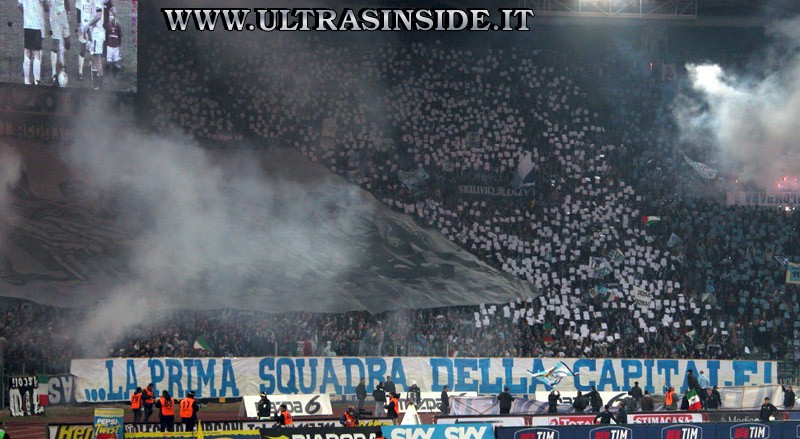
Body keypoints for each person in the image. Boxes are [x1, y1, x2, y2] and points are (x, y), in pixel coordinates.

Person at [18, 0, 49, 85]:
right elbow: (46, 7)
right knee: (37, 53)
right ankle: (36, 81)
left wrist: (27, 14)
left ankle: (26, 81)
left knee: (27, 52)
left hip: (27, 25)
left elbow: (19, 5)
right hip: (36, 25)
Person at [48, 0, 71, 85]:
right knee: (55, 43)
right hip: (55, 17)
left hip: (63, 16)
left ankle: (62, 62)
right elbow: (46, 6)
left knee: (68, 43)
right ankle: (54, 73)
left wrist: (68, 12)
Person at [104, 9, 121, 73]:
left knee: (115, 55)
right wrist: (106, 41)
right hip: (109, 44)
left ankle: (115, 64)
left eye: (111, 15)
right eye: (109, 15)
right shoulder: (108, 24)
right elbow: (106, 34)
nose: (110, 17)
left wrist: (119, 42)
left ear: (114, 16)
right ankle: (108, 64)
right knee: (109, 56)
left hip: (116, 44)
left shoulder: (117, 25)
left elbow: (119, 34)